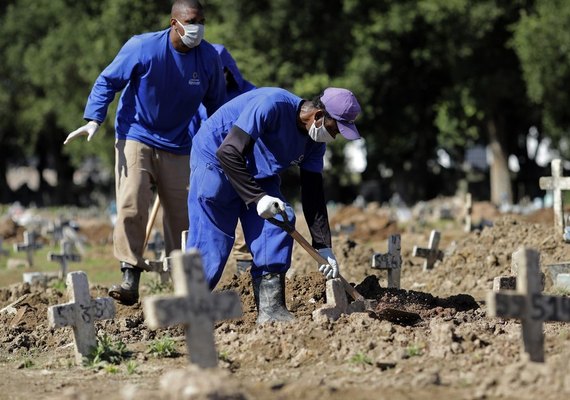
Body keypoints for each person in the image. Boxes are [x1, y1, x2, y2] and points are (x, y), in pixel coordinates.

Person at [64, 0, 225, 306]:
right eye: (191, 21)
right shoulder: (143, 47)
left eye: (201, 21)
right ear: (173, 23)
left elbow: (217, 106)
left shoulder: (209, 58)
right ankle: (130, 275)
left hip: (178, 142)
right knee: (132, 202)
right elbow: (107, 81)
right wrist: (94, 118)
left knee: (184, 214)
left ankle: (185, 283)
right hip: (136, 133)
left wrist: (221, 144)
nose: (197, 28)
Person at [187, 87, 362, 323]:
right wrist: (258, 199)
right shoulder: (272, 105)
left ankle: (271, 310)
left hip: (258, 170)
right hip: (216, 158)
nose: (336, 136)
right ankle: (188, 307)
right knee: (213, 240)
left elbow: (313, 194)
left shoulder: (314, 144)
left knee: (280, 220)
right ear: (319, 115)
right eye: (335, 129)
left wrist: (323, 246)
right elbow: (228, 152)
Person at [188, 44, 257, 275]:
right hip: (210, 165)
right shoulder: (200, 98)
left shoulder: (250, 94)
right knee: (205, 225)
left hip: (244, 165)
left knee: (248, 221)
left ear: (227, 70)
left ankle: (245, 273)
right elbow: (194, 131)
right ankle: (194, 280)